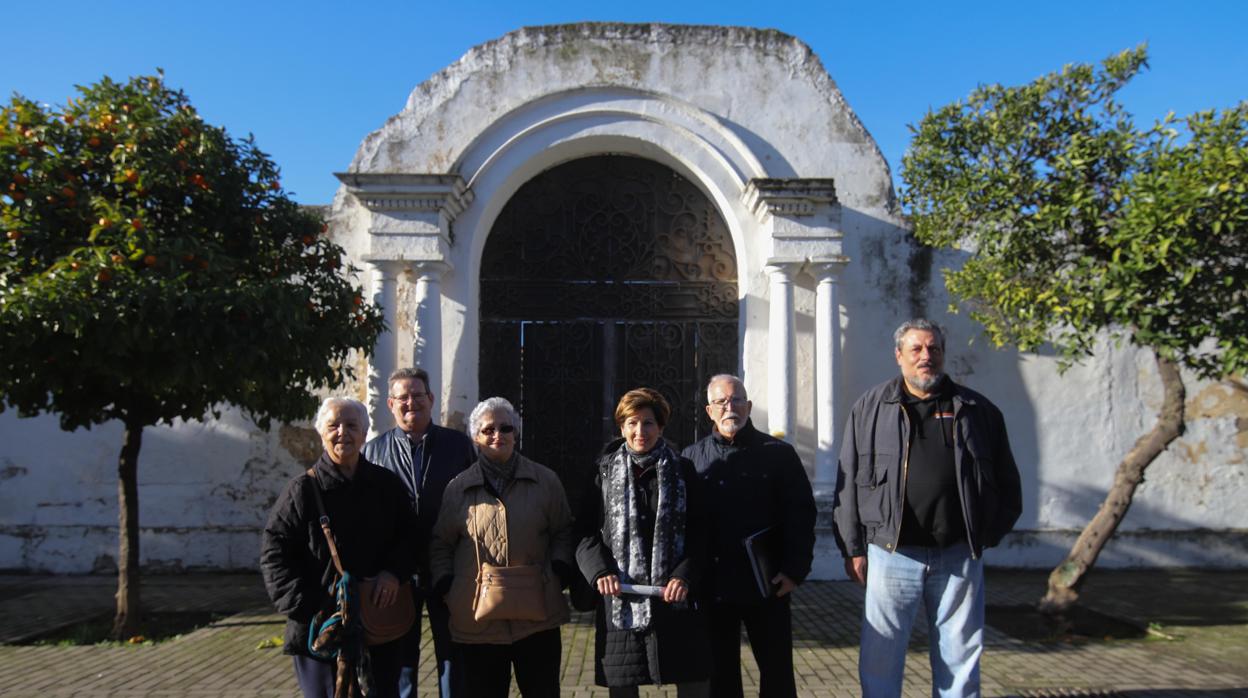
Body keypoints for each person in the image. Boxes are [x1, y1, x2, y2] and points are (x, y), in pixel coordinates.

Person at [833, 319, 1023, 697]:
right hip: (891, 554)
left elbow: (1007, 484)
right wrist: (853, 548)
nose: (926, 357)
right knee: (881, 654)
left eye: (933, 348)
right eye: (916, 349)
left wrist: (984, 534)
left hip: (957, 555)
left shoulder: (977, 410)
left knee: (960, 654)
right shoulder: (870, 409)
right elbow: (848, 484)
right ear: (899, 355)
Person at [261, 397, 417, 698]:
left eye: (351, 426)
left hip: (378, 623)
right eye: (333, 426)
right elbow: (273, 554)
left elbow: (411, 536)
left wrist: (393, 573)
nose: (342, 432)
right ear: (322, 433)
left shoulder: (386, 485)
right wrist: (310, 607)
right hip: (320, 629)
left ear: (364, 432)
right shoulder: (302, 491)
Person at [681, 374, 817, 698]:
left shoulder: (779, 454)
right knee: (720, 676)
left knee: (777, 674)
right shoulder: (690, 458)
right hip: (713, 586)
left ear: (749, 405)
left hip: (767, 583)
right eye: (722, 402)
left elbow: (801, 514)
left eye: (737, 400)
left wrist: (795, 570)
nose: (731, 408)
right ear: (709, 410)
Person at [429, 397, 574, 697]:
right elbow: (441, 542)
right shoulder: (458, 488)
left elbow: (564, 530)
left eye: (505, 427)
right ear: (475, 437)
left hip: (537, 617)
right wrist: (447, 585)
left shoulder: (545, 481)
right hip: (476, 621)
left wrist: (559, 570)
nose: (498, 435)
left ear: (516, 433)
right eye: (488, 429)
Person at [577, 388, 711, 697]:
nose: (641, 432)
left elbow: (702, 533)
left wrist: (684, 575)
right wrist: (600, 572)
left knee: (694, 685)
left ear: (661, 427)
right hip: (621, 601)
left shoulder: (684, 471)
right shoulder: (602, 472)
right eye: (632, 423)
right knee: (623, 689)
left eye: (648, 423)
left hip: (676, 600)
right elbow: (584, 532)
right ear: (621, 427)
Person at [362, 367, 474, 697]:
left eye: (418, 395)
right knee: (400, 662)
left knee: (454, 658)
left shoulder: (459, 447)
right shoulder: (373, 452)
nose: (411, 402)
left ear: (431, 399)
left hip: (449, 569)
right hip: (395, 576)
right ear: (391, 404)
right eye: (403, 397)